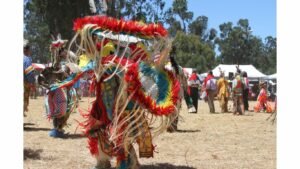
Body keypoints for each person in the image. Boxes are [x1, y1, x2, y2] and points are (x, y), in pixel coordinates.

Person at [23, 40, 35, 116]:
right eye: (29, 49)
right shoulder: (27, 59)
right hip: (24, 82)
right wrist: (32, 82)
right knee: (24, 99)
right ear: (26, 50)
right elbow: (29, 73)